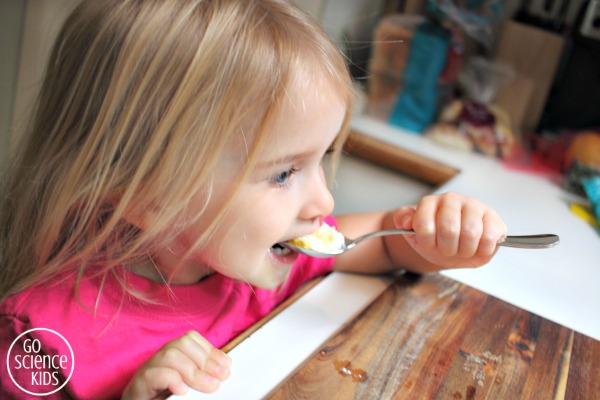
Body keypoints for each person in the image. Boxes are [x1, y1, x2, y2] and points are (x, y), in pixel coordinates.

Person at [0, 0, 508, 398]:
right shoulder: (39, 340)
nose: (324, 200)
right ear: (152, 200)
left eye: (322, 157)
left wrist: (436, 231)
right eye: (284, 172)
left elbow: (387, 244)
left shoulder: (268, 255)